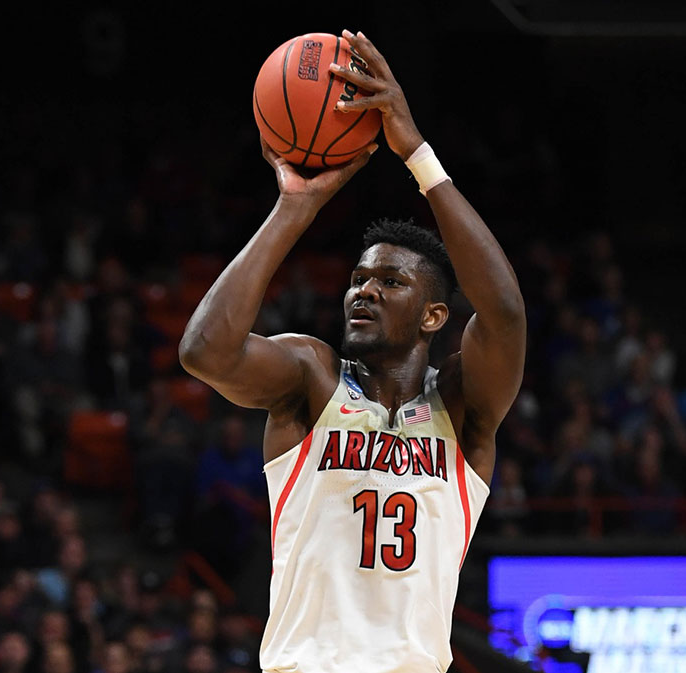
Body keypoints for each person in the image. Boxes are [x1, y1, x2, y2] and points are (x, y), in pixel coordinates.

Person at [179, 30, 525, 673]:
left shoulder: (463, 409)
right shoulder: (311, 379)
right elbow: (206, 353)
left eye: (389, 282)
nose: (362, 292)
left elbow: (503, 312)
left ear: (434, 316)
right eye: (357, 280)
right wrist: (293, 208)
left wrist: (418, 154)